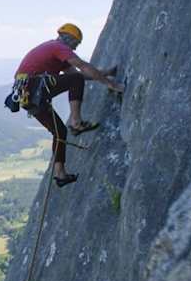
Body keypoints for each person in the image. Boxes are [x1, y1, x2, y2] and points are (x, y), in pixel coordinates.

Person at [13, 23, 122, 187]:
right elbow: (82, 67)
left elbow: (78, 75)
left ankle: (60, 174)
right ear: (69, 39)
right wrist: (111, 85)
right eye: (76, 44)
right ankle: (76, 122)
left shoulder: (53, 51)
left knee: (60, 132)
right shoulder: (58, 47)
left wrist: (105, 73)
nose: (75, 49)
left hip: (27, 96)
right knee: (75, 81)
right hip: (34, 88)